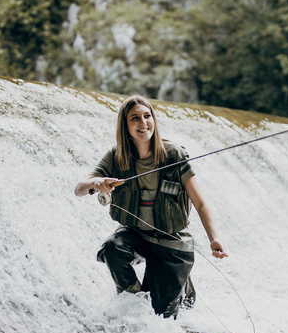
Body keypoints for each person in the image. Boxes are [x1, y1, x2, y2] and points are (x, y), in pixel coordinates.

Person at [75, 95, 227, 318]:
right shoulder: (116, 156)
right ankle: (137, 303)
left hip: (170, 241)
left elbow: (201, 203)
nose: (143, 123)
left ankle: (179, 285)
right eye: (135, 118)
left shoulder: (174, 155)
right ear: (125, 126)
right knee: (112, 249)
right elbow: (79, 188)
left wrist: (214, 239)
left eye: (147, 116)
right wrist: (96, 183)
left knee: (162, 318)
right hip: (136, 235)